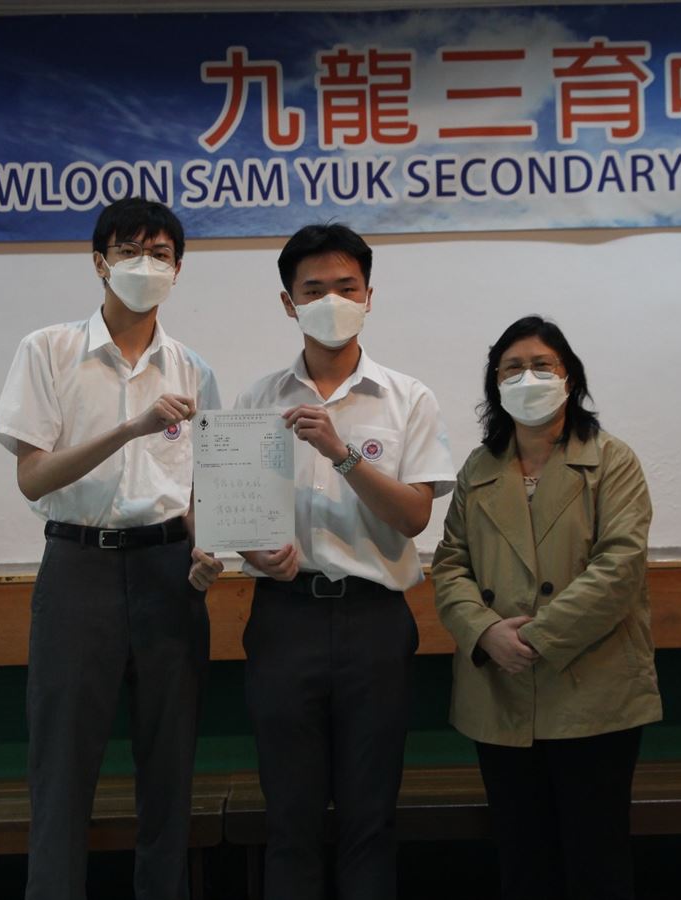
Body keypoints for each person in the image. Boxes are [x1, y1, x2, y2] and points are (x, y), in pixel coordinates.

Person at [0, 197, 224, 900]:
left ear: (178, 270)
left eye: (160, 254)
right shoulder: (49, 350)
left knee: (169, 769)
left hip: (168, 573)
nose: (145, 265)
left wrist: (208, 548)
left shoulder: (193, 368)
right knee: (62, 769)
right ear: (99, 263)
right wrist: (130, 428)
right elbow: (33, 478)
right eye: (129, 251)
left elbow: (202, 488)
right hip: (78, 567)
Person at [234, 223, 456, 900]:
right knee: (290, 822)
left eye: (346, 287)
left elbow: (414, 516)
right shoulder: (257, 400)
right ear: (288, 303)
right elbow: (237, 515)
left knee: (370, 820)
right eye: (313, 290)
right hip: (284, 619)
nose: (331, 301)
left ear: (368, 297)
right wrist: (254, 549)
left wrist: (341, 453)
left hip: (374, 623)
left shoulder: (408, 397)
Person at [431, 315, 662, 900]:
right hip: (500, 688)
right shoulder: (478, 469)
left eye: (542, 365)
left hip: (592, 689)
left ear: (569, 377)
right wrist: (486, 633)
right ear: (495, 383)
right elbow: (451, 565)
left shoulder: (612, 460)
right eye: (512, 368)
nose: (527, 378)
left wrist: (535, 637)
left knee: (596, 859)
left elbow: (620, 566)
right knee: (523, 858)